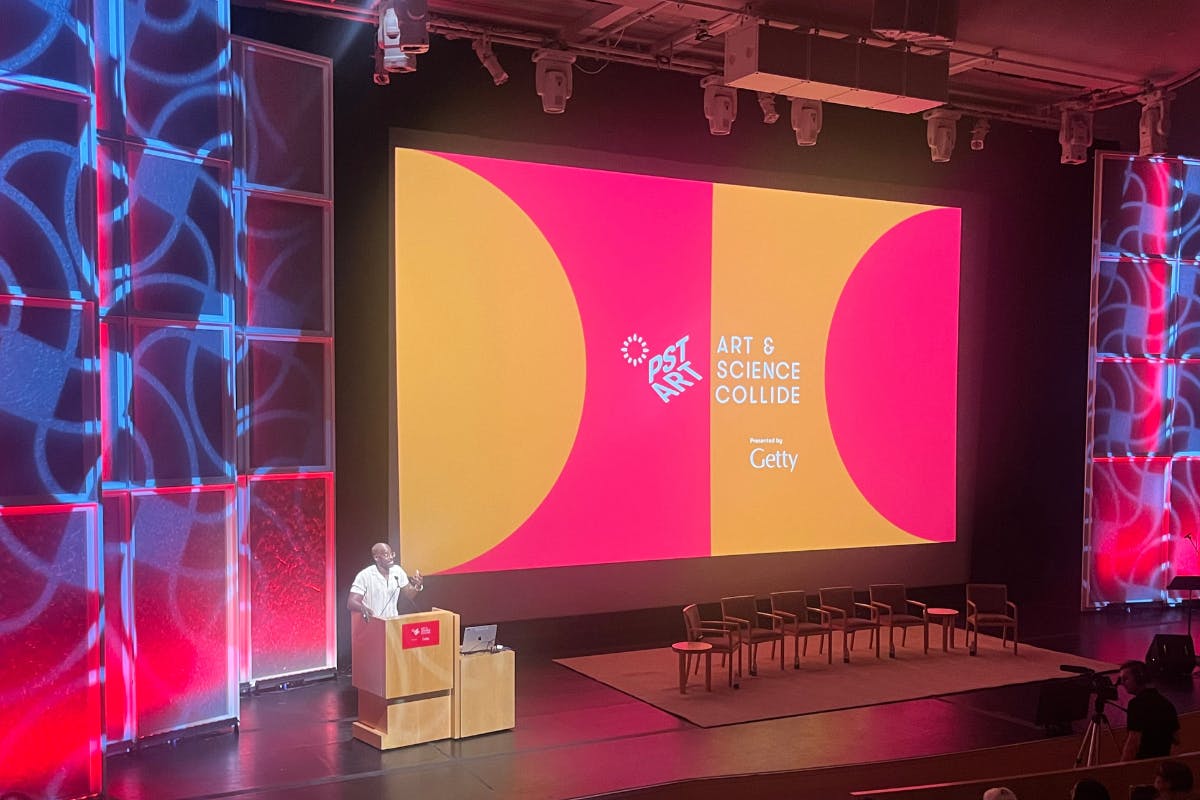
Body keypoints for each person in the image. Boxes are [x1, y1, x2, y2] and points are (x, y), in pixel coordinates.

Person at [1118, 659, 1180, 760]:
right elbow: (1176, 739)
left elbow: (1133, 743)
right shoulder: (1167, 703)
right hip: (1162, 764)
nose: (1122, 683)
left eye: (1125, 679)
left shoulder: (1135, 705)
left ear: (1139, 678)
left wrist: (1121, 770)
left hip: (1141, 767)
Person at [346, 542, 424, 620]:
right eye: (386, 555)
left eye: (392, 554)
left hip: (393, 622)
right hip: (372, 622)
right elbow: (351, 602)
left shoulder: (398, 571)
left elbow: (409, 594)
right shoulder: (365, 575)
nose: (391, 557)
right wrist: (363, 609)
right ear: (376, 558)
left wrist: (417, 586)